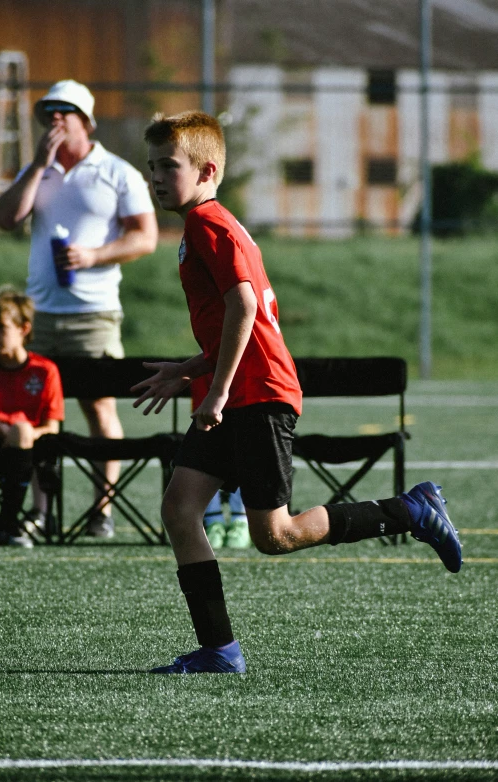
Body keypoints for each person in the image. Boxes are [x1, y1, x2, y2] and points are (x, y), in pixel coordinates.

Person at [132, 111, 463, 675]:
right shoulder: (203, 226)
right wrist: (192, 371)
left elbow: (245, 307)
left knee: (275, 534)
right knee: (181, 508)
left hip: (256, 396)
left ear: (207, 170)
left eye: (168, 167)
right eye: (152, 167)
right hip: (239, 390)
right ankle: (219, 649)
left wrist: (214, 392)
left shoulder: (209, 225)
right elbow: (242, 324)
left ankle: (409, 510)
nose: (156, 178)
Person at [0, 80, 158, 539]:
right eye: (49, 112)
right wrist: (38, 166)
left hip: (94, 315)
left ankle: (101, 512)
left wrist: (93, 256)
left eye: (65, 112)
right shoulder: (37, 169)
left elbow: (144, 237)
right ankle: (42, 510)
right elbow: (5, 218)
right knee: (33, 413)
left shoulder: (118, 171)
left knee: (99, 406)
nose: (55, 120)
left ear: (87, 121)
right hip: (38, 317)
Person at [0, 288, 64, 548]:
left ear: (24, 329)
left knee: (22, 429)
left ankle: (8, 523)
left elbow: (51, 427)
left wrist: (18, 432)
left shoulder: (45, 371)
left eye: (0, 328)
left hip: (27, 452)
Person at [190, 375, 251, 549]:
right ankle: (213, 519)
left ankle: (241, 519)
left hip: (251, 374)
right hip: (210, 369)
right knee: (206, 439)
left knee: (247, 443)